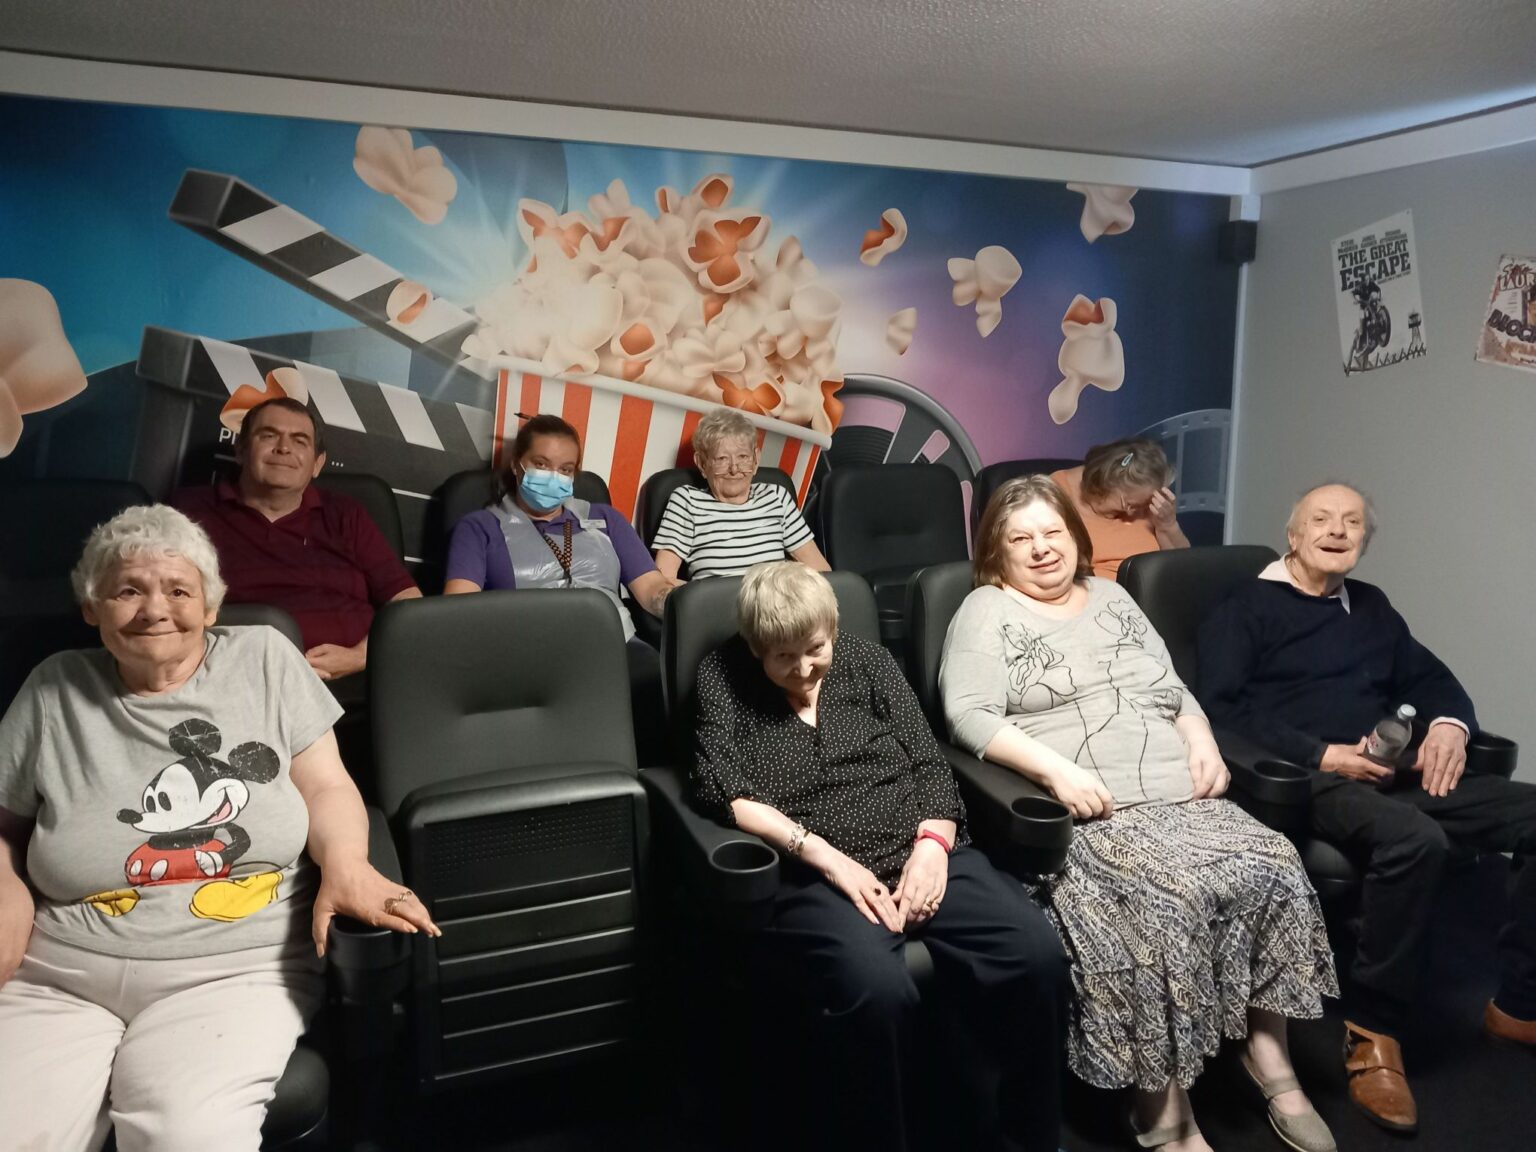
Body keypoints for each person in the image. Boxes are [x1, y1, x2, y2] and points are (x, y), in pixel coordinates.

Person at [0, 504, 439, 1151]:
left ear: (211, 606)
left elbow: (326, 786)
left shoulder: (265, 659)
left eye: (179, 591)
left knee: (188, 1135)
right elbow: (5, 826)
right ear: (91, 607)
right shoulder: (52, 687)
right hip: (61, 974)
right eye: (127, 590)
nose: (155, 609)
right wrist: (5, 885)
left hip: (232, 972)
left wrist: (349, 863)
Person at [941, 476, 1337, 1152]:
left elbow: (1171, 686)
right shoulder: (986, 609)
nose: (1041, 549)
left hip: (1179, 792)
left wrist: (1201, 736)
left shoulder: (1113, 596)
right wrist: (1056, 771)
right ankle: (1162, 1105)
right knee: (1166, 902)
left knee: (1274, 862)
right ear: (996, 554)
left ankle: (1268, 1052)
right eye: (1021, 539)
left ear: (1075, 538)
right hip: (1092, 809)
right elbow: (967, 715)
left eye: (1052, 533)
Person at [691, 562, 1068, 1152]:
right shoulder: (722, 676)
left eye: (815, 649)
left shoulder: (868, 661)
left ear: (833, 628)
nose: (803, 668)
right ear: (754, 644)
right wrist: (827, 859)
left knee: (1035, 953)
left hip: (918, 846)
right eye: (782, 656)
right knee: (876, 989)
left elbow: (928, 761)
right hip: (813, 872)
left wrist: (933, 847)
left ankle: (1025, 1136)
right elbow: (724, 791)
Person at [1197, 481, 1536, 1135]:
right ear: (1293, 535)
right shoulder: (1244, 607)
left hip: (1390, 768)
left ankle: (1519, 1004)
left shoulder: (1372, 606)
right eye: (1321, 519)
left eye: (1352, 522)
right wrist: (1322, 754)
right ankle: (1373, 1033)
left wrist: (1449, 725)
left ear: (1364, 540)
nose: (1337, 530)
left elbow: (1432, 679)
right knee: (1415, 839)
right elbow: (1220, 709)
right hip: (1305, 776)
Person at [443, 413, 675, 760]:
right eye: (541, 464)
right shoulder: (480, 528)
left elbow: (652, 588)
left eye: (565, 469)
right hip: (529, 654)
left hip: (615, 644)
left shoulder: (605, 519)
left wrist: (683, 604)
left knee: (660, 689)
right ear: (517, 465)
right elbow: (457, 611)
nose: (553, 476)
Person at [175, 396, 421, 683]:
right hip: (233, 677)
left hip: (357, 683)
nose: (283, 448)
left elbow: (406, 601)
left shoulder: (346, 513)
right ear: (240, 449)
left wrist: (361, 656)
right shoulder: (188, 511)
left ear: (317, 463)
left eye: (300, 440)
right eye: (269, 435)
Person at [651, 408, 829, 579]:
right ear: (702, 463)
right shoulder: (687, 501)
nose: (734, 469)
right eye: (722, 459)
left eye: (743, 457)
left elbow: (821, 571)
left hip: (776, 598)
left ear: (756, 459)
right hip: (719, 600)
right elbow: (663, 580)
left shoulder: (776, 496)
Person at [1050, 438, 1188, 581]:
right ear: (1098, 487)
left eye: (1142, 505)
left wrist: (1168, 525)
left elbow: (1184, 567)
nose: (1130, 513)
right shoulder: (1056, 494)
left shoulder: (1147, 499)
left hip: (1154, 588)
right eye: (1127, 504)